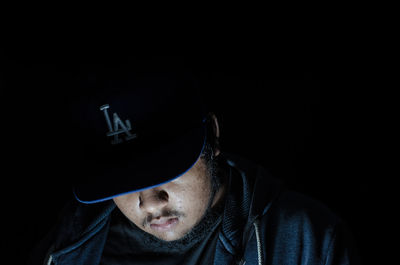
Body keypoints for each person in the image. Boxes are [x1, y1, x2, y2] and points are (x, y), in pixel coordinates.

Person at [29, 65, 359, 265]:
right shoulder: (66, 247)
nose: (149, 201)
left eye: (164, 169)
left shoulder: (307, 243)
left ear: (211, 138)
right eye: (123, 182)